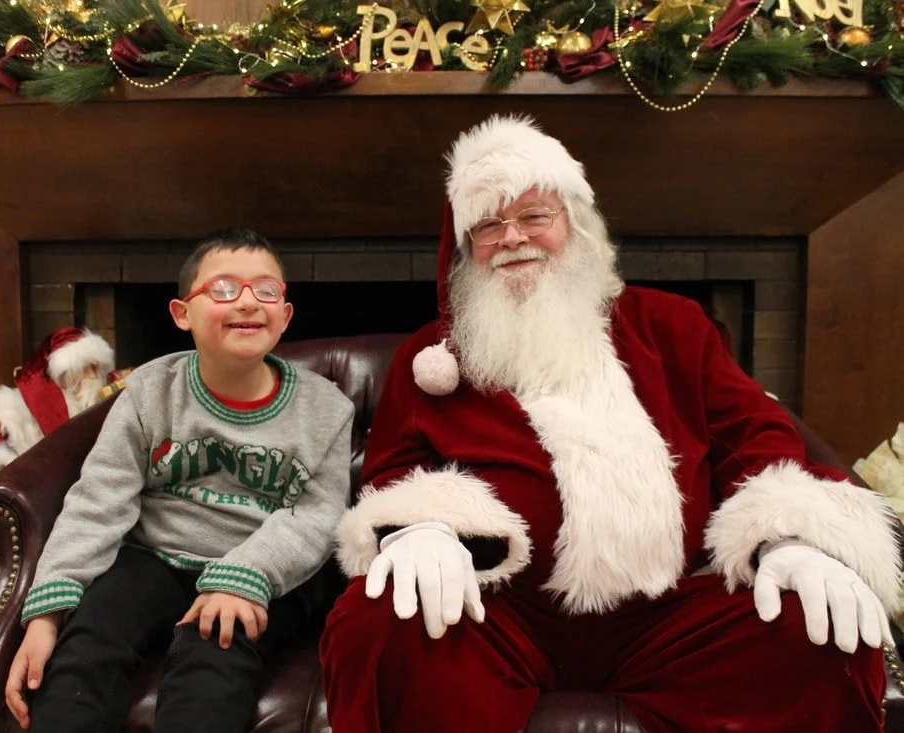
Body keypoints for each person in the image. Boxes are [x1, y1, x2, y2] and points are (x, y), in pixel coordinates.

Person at [319, 115, 903, 733]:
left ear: (574, 223)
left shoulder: (673, 327)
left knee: (817, 634)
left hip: (669, 614)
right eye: (488, 225)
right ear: (466, 249)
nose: (513, 237)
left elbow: (758, 439)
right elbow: (393, 471)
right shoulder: (431, 358)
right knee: (376, 622)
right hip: (498, 614)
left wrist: (788, 539)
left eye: (534, 216)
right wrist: (420, 532)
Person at [4, 228, 355, 733]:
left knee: (215, 650)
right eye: (224, 288)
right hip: (155, 556)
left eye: (266, 290)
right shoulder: (151, 392)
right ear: (181, 313)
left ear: (285, 315)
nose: (248, 302)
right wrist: (47, 613)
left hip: (263, 568)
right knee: (88, 640)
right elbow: (98, 500)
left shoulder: (326, 408)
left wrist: (244, 577)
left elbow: (318, 516)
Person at [0, 326, 117, 511]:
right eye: (83, 369)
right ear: (61, 376)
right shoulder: (16, 411)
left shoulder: (107, 398)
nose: (92, 376)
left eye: (95, 368)